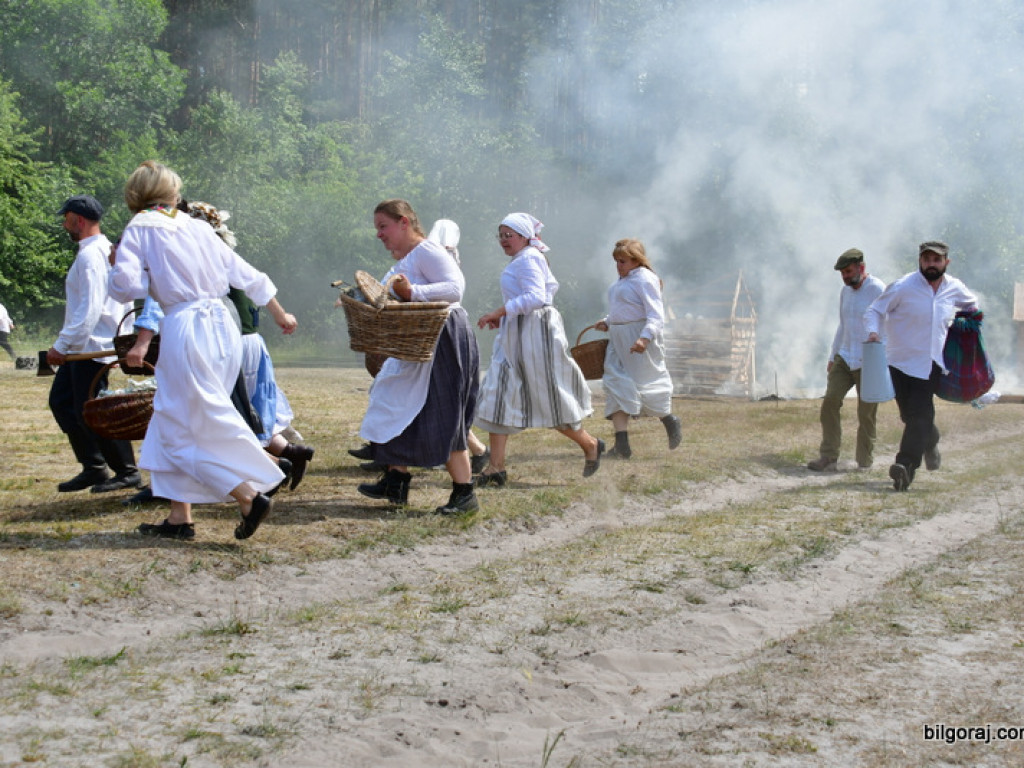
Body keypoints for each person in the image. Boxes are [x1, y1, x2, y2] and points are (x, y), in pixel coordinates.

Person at [108, 160, 297, 540]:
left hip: (186, 327)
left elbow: (124, 287)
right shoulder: (197, 226)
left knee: (192, 423)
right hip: (223, 327)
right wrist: (280, 313)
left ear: (136, 194)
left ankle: (254, 483)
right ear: (171, 192)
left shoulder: (140, 228)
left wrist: (121, 265)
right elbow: (246, 273)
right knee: (171, 420)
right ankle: (180, 519)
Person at [355, 200, 480, 515]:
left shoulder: (428, 251)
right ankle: (396, 479)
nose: (379, 235)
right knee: (392, 398)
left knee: (443, 410)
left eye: (383, 227)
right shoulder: (405, 261)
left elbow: (456, 288)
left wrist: (414, 294)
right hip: (418, 340)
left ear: (404, 223)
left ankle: (465, 495)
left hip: (444, 334)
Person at [474, 212, 604, 485]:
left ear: (524, 237)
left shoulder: (530, 257)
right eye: (501, 235)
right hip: (517, 334)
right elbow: (526, 299)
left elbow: (536, 297)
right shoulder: (522, 259)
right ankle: (496, 468)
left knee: (547, 397)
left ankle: (590, 444)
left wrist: (500, 311)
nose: (503, 240)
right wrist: (507, 317)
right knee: (496, 391)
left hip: (536, 334)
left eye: (509, 235)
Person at [864, 241, 978, 491]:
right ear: (920, 261)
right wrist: (873, 333)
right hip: (898, 362)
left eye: (937, 260)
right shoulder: (904, 286)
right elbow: (874, 310)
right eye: (927, 260)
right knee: (911, 417)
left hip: (931, 364)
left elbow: (972, 307)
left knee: (920, 415)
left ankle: (905, 466)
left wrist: (965, 329)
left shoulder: (954, 288)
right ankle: (931, 440)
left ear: (946, 262)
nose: (931, 264)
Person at [47, 195, 141, 493]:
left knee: (94, 410)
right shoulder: (98, 251)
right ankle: (95, 466)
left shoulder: (91, 255)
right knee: (63, 403)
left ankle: (126, 471)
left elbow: (89, 309)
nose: (64, 223)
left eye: (67, 218)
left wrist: (62, 346)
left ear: (80, 220)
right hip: (85, 344)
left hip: (90, 344)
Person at [592, 238, 681, 459]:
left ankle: (669, 419)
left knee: (646, 383)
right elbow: (622, 310)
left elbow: (655, 315)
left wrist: (644, 338)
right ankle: (622, 445)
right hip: (618, 340)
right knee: (615, 383)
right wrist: (608, 321)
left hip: (638, 339)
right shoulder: (621, 282)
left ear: (636, 261)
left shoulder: (645, 279)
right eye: (616, 261)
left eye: (622, 261)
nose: (618, 266)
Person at [806, 248, 885, 471]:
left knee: (866, 413)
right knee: (830, 402)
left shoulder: (877, 289)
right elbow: (843, 325)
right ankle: (829, 456)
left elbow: (888, 323)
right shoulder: (846, 291)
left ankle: (864, 462)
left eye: (848, 272)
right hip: (846, 355)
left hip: (869, 359)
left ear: (862, 267)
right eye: (842, 273)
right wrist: (833, 355)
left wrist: (881, 357)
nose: (845, 277)